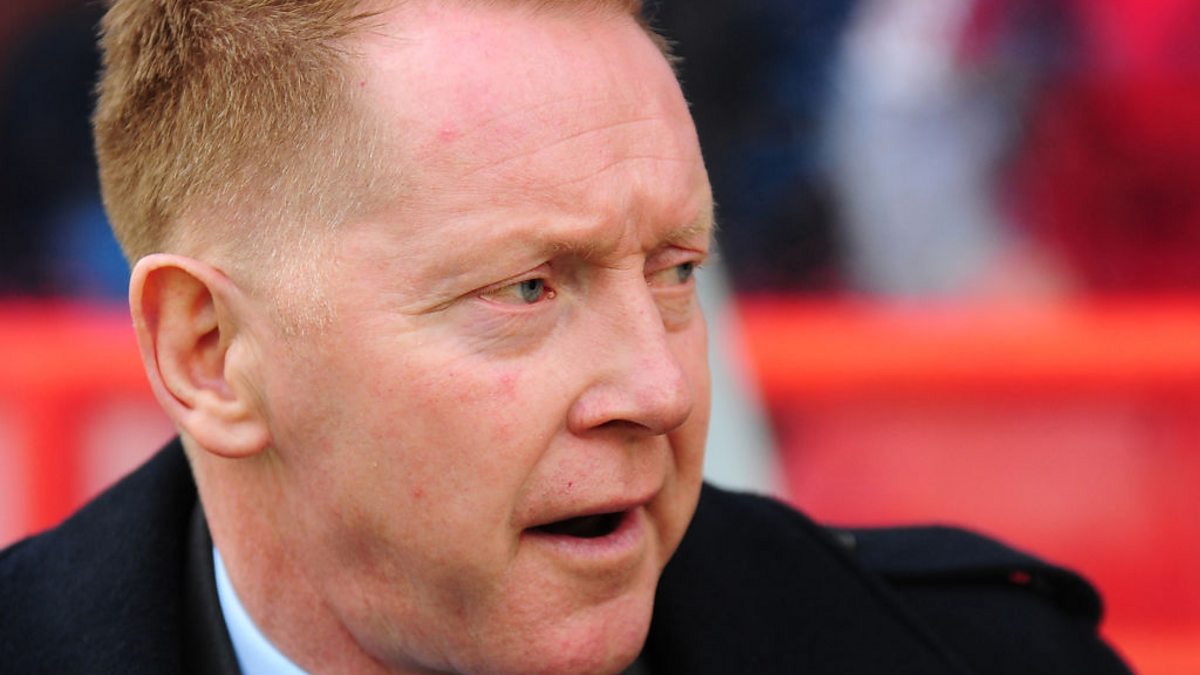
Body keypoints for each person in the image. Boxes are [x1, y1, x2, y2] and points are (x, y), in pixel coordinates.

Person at [0, 1, 1130, 673]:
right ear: (206, 352)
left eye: (675, 270)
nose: (661, 387)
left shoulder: (984, 655)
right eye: (528, 289)